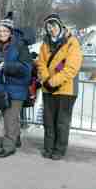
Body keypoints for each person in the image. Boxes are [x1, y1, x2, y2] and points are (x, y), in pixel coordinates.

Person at [37, 13, 83, 160]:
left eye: (53, 25)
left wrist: (52, 82)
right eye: (48, 26)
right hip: (48, 88)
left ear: (60, 25)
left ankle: (59, 150)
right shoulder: (45, 44)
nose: (51, 29)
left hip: (66, 90)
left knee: (62, 122)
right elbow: (41, 63)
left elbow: (71, 68)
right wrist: (46, 79)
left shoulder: (72, 42)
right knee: (48, 121)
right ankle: (48, 148)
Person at [0, 12, 32, 158]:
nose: (2, 33)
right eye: (0, 31)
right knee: (10, 118)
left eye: (5, 31)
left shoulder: (20, 46)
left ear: (10, 32)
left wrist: (7, 66)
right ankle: (16, 139)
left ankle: (8, 147)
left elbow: (26, 69)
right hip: (2, 89)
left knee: (9, 119)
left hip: (16, 90)